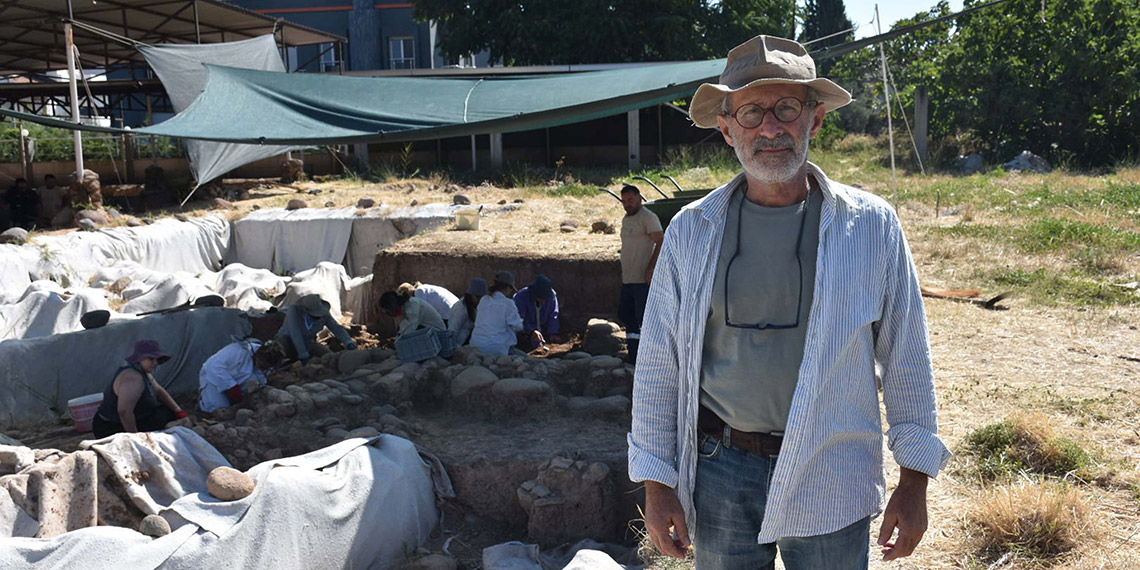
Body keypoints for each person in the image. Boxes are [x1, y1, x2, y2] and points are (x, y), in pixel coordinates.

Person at [629, 36, 951, 570]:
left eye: (787, 108)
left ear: (815, 120)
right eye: (752, 112)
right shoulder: (691, 232)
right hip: (721, 467)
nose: (771, 128)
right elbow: (659, 363)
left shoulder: (870, 226)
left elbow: (907, 358)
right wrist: (657, 482)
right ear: (728, 127)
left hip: (833, 468)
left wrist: (915, 482)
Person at [92, 340, 189, 438]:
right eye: (151, 359)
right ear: (140, 358)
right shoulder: (133, 379)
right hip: (110, 426)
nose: (155, 363)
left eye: (157, 359)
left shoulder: (144, 372)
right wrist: (136, 439)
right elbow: (124, 412)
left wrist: (178, 411)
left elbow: (158, 390)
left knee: (166, 412)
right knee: (161, 418)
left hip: (137, 416)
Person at [618, 184, 664, 362]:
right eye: (624, 201)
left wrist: (651, 268)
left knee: (644, 319)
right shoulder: (626, 219)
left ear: (639, 199)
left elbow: (661, 241)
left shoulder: (648, 218)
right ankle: (634, 354)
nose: (627, 204)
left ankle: (651, 357)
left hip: (642, 279)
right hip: (628, 278)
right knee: (627, 316)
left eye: (630, 200)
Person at [198, 338, 285, 413]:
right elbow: (215, 366)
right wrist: (232, 386)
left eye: (266, 367)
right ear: (259, 354)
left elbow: (261, 380)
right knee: (218, 408)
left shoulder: (269, 364)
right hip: (212, 376)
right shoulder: (238, 351)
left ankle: (233, 398)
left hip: (237, 380)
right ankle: (203, 397)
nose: (264, 368)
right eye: (262, 365)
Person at [275, 294, 356, 363]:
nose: (317, 317)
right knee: (279, 352)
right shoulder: (294, 311)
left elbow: (336, 328)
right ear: (305, 311)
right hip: (287, 342)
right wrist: (303, 354)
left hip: (308, 343)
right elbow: (295, 334)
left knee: (330, 357)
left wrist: (348, 341)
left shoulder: (324, 314)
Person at [470, 271, 524, 357]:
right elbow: (519, 327)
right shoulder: (508, 303)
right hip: (497, 350)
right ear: (507, 288)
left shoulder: (484, 300)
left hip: (476, 346)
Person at [513, 274, 560, 349]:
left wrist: (553, 332)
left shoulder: (551, 297)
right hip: (526, 332)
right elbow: (518, 319)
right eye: (541, 297)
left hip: (543, 329)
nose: (544, 300)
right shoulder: (521, 297)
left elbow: (553, 315)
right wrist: (531, 331)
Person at [379, 290, 446, 334]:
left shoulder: (413, 305)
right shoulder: (405, 307)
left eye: (388, 312)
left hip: (437, 334)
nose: (389, 314)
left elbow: (410, 329)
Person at [449, 278, 487, 346]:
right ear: (471, 295)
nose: (480, 300)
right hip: (460, 343)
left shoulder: (475, 306)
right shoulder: (461, 309)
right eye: (478, 297)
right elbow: (452, 331)